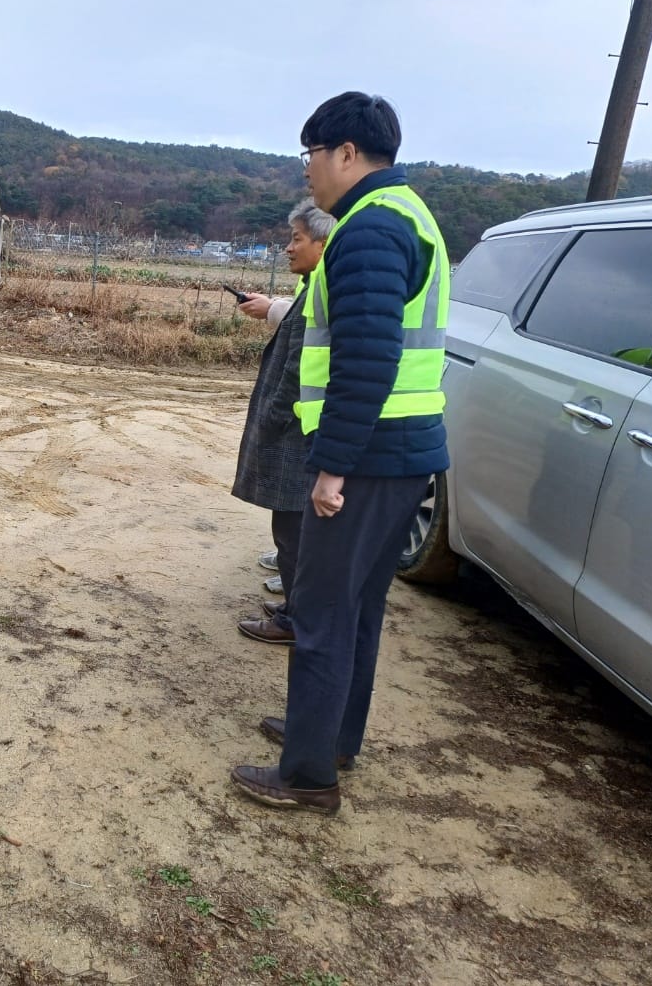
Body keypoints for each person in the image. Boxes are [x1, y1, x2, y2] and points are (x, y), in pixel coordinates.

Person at [231, 92, 451, 815]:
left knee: (323, 611)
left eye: (311, 157)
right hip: (402, 451)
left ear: (347, 154)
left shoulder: (371, 230)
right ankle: (328, 740)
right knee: (356, 610)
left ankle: (306, 778)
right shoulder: (406, 216)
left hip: (369, 454)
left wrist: (330, 467)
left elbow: (366, 359)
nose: (308, 174)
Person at [230, 199, 336, 645]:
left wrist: (272, 416)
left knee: (293, 532)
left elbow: (298, 367)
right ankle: (294, 607)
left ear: (323, 241)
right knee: (290, 528)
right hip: (299, 426)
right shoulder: (315, 286)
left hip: (297, 430)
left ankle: (295, 621)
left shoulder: (321, 290)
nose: (288, 248)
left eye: (296, 239)